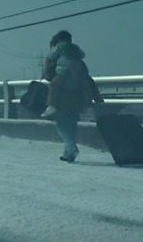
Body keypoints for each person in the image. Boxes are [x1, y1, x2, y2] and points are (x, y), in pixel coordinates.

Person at [40, 30, 104, 162]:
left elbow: (48, 71)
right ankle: (68, 153)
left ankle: (70, 147)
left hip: (62, 93)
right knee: (72, 122)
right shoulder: (76, 55)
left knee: (61, 123)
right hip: (78, 92)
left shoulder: (58, 52)